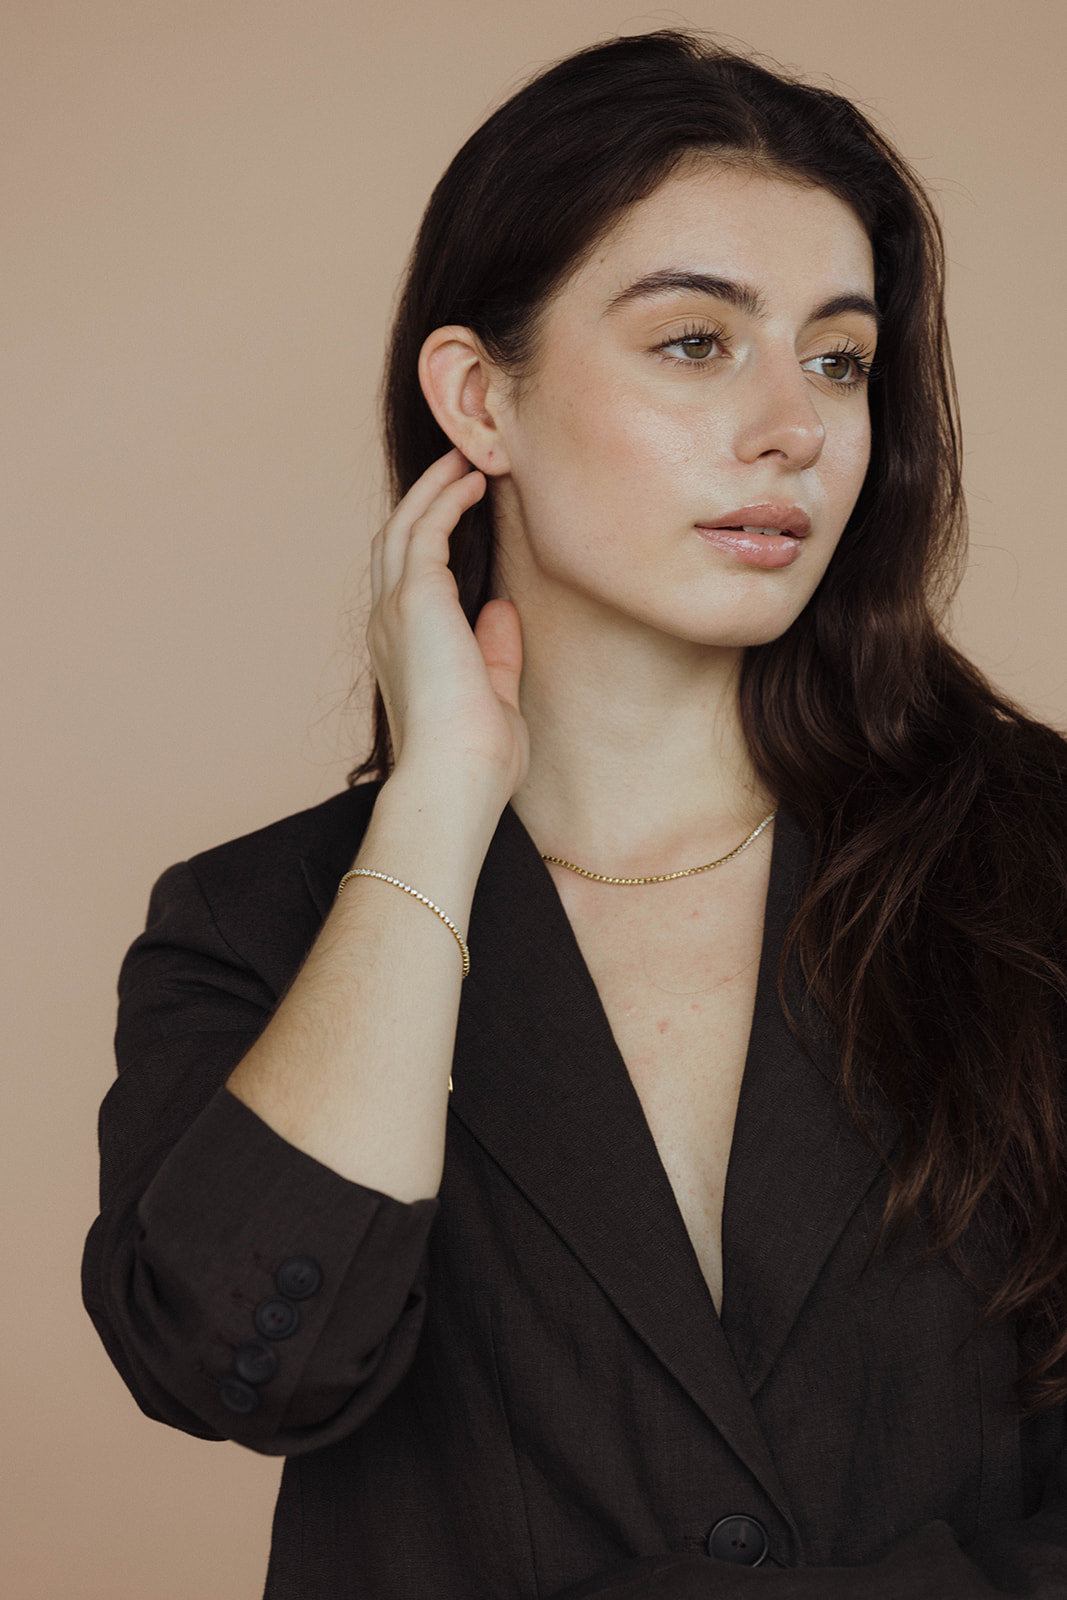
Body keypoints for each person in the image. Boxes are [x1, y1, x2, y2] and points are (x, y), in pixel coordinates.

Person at [81, 28, 1067, 1599]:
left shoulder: (1035, 860)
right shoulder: (254, 925)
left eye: (838, 359)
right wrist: (436, 807)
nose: (794, 426)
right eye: (696, 342)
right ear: (482, 400)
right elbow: (237, 1367)